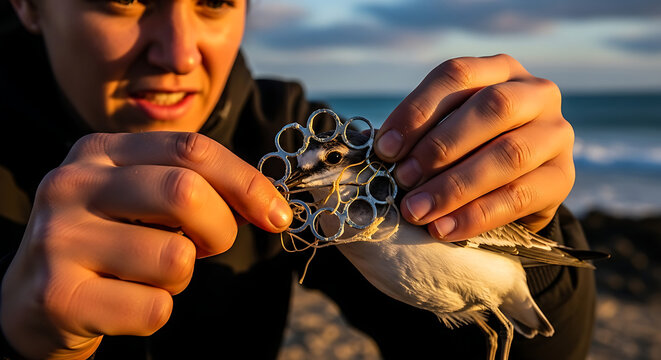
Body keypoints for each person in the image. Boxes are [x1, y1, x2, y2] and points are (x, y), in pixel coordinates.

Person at [0, 0, 595, 359]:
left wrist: (516, 215)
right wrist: (21, 343)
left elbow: (461, 353)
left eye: (213, 0)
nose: (179, 54)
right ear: (26, 4)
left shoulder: (299, 150)